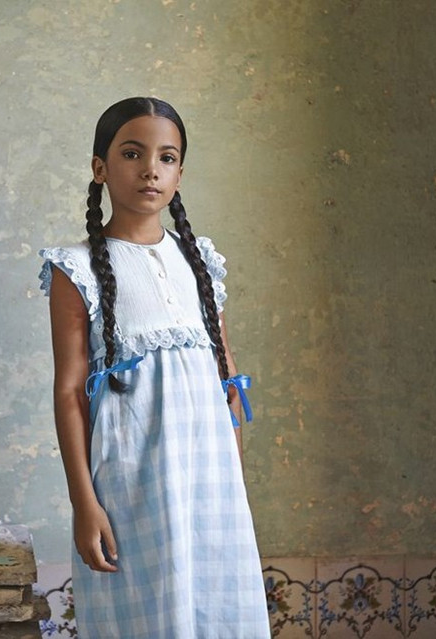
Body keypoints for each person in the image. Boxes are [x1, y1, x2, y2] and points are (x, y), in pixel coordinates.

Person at [39, 96, 271, 637]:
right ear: (100, 168)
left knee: (218, 614)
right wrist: (83, 503)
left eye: (167, 158)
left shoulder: (201, 262)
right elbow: (71, 393)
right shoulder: (76, 270)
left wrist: (231, 479)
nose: (150, 169)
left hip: (210, 481)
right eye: (132, 153)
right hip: (128, 484)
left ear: (180, 174)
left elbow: (227, 377)